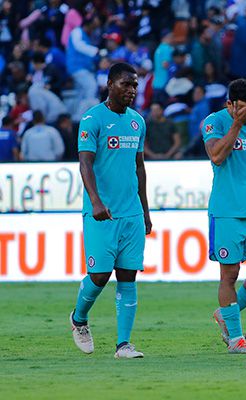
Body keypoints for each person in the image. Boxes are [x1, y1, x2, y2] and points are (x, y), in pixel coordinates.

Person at [69, 63, 152, 359]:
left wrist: (145, 209)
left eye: (134, 86)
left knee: (128, 276)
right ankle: (79, 318)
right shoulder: (93, 119)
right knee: (100, 275)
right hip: (101, 212)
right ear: (109, 84)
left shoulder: (137, 122)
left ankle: (123, 345)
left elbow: (139, 167)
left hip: (130, 213)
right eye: (125, 85)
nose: (131, 91)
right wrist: (95, 201)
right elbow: (85, 163)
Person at [203, 79, 246, 354]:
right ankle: (235, 339)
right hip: (226, 212)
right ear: (229, 104)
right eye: (240, 108)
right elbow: (216, 156)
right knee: (229, 274)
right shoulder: (214, 122)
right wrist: (237, 124)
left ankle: (226, 313)